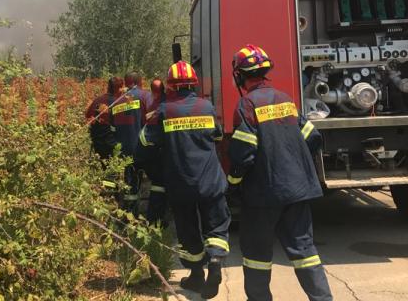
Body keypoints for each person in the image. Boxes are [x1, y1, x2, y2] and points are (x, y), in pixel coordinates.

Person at [228, 44, 333, 301]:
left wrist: (233, 184)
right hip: (297, 191)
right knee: (305, 251)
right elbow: (313, 137)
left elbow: (244, 154)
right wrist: (293, 163)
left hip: (263, 195)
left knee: (256, 256)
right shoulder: (286, 99)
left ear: (240, 75)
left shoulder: (247, 105)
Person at [137, 61, 230, 299]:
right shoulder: (206, 106)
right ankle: (216, 263)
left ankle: (197, 275)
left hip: (180, 182)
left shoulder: (164, 111)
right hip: (210, 180)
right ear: (194, 83)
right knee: (216, 226)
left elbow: (145, 141)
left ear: (170, 86)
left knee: (188, 230)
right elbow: (218, 135)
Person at [112, 72, 149, 213]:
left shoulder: (117, 100)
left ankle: (129, 213)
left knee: (130, 182)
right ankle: (152, 215)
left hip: (124, 150)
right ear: (139, 81)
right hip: (143, 147)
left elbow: (113, 128)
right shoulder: (145, 96)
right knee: (155, 181)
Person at [142, 78, 168, 225]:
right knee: (160, 183)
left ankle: (155, 217)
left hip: (157, 146)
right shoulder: (157, 101)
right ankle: (156, 218)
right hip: (158, 147)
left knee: (159, 183)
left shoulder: (157, 102)